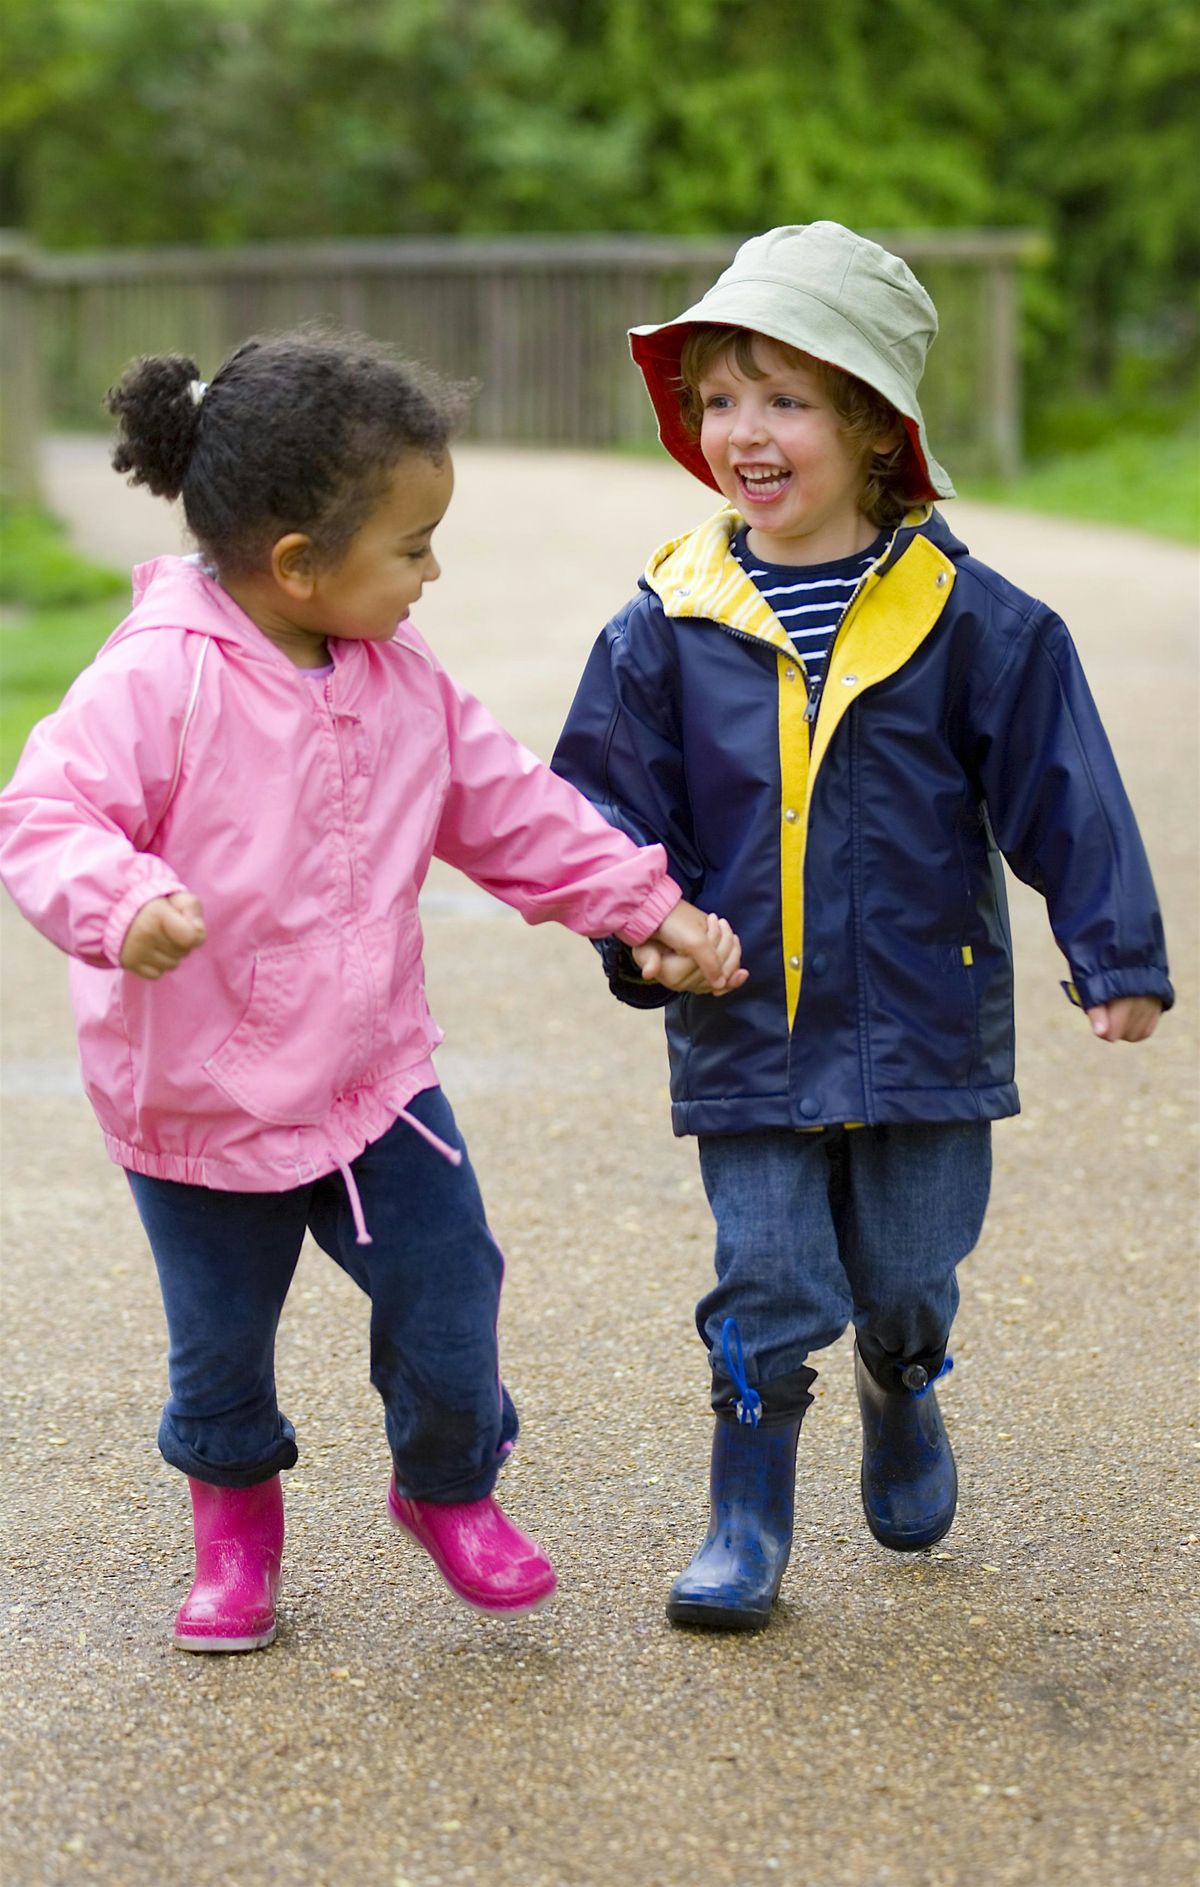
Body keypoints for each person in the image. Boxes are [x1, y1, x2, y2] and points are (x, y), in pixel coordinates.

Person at [0, 328, 746, 1654]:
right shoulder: (156, 680)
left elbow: (514, 810)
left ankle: (447, 1489)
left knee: (452, 1292)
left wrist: (645, 906)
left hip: (371, 1083)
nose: (432, 572)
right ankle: (234, 1543)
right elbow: (45, 815)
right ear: (298, 565)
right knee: (220, 1349)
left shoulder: (404, 690)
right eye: (410, 547)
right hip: (199, 1112)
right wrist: (121, 905)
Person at [552, 221, 1172, 1632]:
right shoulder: (664, 621)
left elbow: (1062, 789)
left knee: (907, 1269)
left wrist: (1114, 951)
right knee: (769, 1273)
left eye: (784, 400)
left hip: (919, 1017)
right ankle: (746, 1514)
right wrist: (637, 922)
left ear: (874, 427)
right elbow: (594, 804)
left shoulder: (975, 622)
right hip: (747, 1014)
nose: (741, 433)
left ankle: (905, 1378)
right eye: (719, 398)